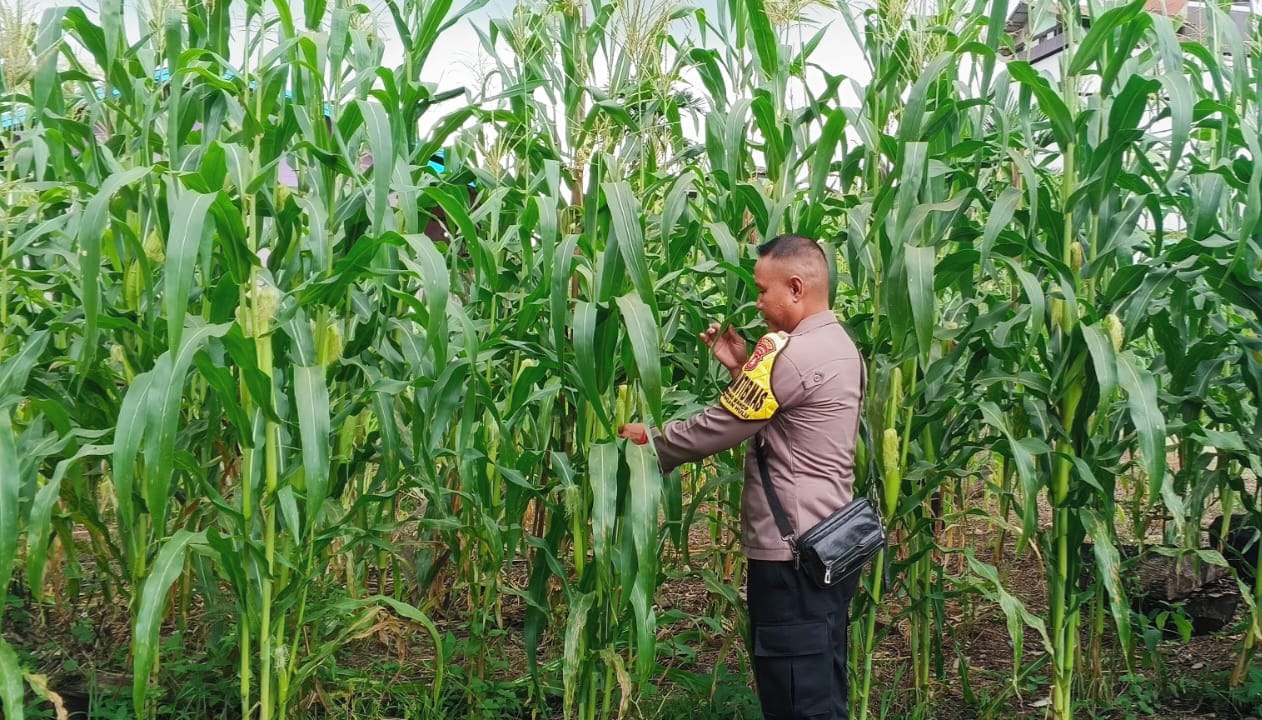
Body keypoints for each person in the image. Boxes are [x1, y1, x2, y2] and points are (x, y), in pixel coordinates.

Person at [618, 234, 866, 720]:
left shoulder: (794, 355)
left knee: (798, 699)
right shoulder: (839, 345)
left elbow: (723, 425)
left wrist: (653, 440)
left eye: (762, 291)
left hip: (792, 556)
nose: (757, 303)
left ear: (796, 287)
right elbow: (780, 416)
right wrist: (741, 368)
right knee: (820, 683)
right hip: (833, 545)